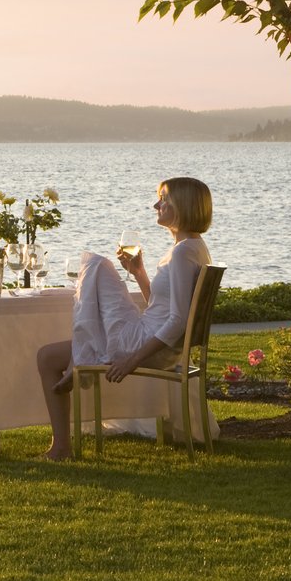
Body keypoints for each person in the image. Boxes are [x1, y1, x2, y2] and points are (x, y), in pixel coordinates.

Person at [33, 177, 215, 461]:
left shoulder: (182, 253)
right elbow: (163, 307)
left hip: (144, 344)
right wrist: (139, 272)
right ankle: (79, 362)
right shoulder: (194, 247)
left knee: (95, 264)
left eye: (164, 199)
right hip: (155, 341)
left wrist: (132, 361)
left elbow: (178, 321)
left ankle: (62, 445)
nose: (157, 204)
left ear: (184, 205)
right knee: (47, 356)